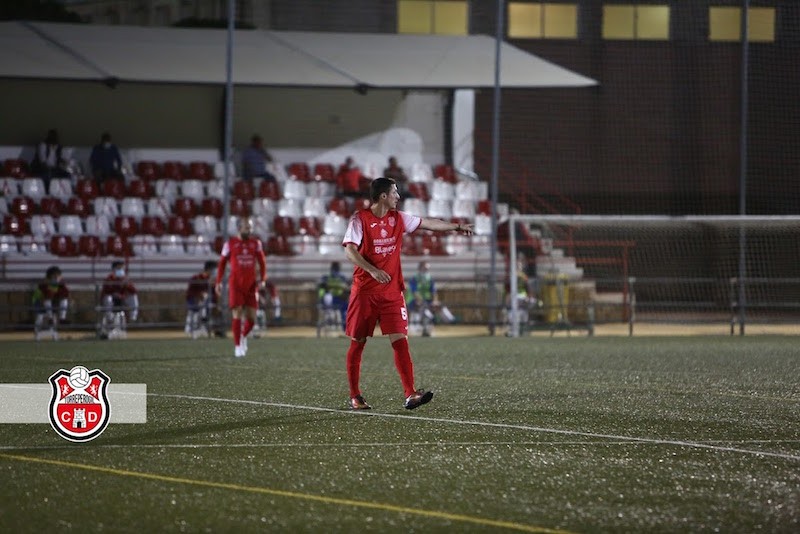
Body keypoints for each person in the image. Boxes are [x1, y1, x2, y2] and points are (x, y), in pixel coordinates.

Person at [341, 177, 473, 410]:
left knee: (401, 341)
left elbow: (429, 223)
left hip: (392, 292)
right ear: (383, 196)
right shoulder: (359, 219)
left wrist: (456, 227)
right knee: (358, 342)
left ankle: (411, 394)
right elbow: (350, 251)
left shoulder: (399, 218)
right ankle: (355, 395)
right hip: (364, 293)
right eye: (394, 192)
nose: (398, 197)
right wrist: (372, 270)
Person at [214, 217, 268, 357]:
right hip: (236, 284)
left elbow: (262, 262)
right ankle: (237, 346)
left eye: (250, 227)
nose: (249, 230)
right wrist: (218, 282)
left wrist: (262, 279)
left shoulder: (256, 243)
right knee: (237, 313)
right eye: (246, 228)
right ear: (239, 228)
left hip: (251, 285)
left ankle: (243, 336)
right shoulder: (230, 244)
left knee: (252, 319)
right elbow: (221, 264)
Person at [405, 260, 457, 337]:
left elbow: (434, 292)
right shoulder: (414, 279)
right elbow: (414, 292)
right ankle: (424, 328)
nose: (426, 270)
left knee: (439, 306)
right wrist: (421, 301)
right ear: (419, 268)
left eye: (427, 269)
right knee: (424, 309)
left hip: (427, 301)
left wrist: (435, 301)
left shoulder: (430, 279)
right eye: (424, 268)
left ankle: (451, 321)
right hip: (414, 301)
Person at [99, 261, 139, 339]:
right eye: (119, 268)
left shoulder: (125, 278)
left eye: (122, 268)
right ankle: (109, 317)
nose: (121, 270)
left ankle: (133, 317)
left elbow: (134, 290)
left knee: (133, 296)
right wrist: (115, 290)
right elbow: (106, 291)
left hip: (122, 298)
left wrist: (126, 285)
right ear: (113, 269)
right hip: (112, 299)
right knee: (108, 298)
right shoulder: (109, 278)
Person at [32, 265, 70, 341]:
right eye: (54, 276)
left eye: (58, 276)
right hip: (39, 304)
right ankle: (50, 318)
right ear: (49, 278)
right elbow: (40, 299)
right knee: (47, 300)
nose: (56, 278)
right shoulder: (43, 286)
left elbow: (66, 296)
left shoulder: (61, 286)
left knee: (64, 300)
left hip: (53, 305)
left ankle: (62, 318)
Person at [185, 260, 217, 338]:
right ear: (209, 269)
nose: (215, 272)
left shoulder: (212, 281)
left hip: (206, 303)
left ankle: (205, 328)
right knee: (201, 307)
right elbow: (189, 293)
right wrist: (200, 295)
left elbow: (214, 296)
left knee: (210, 306)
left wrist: (214, 289)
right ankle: (193, 328)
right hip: (194, 300)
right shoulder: (196, 278)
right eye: (214, 270)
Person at [318, 261, 351, 331]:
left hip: (334, 299)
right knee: (343, 311)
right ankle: (343, 328)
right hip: (336, 298)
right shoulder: (339, 277)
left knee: (339, 312)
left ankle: (340, 327)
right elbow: (346, 288)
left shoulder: (328, 277)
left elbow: (321, 286)